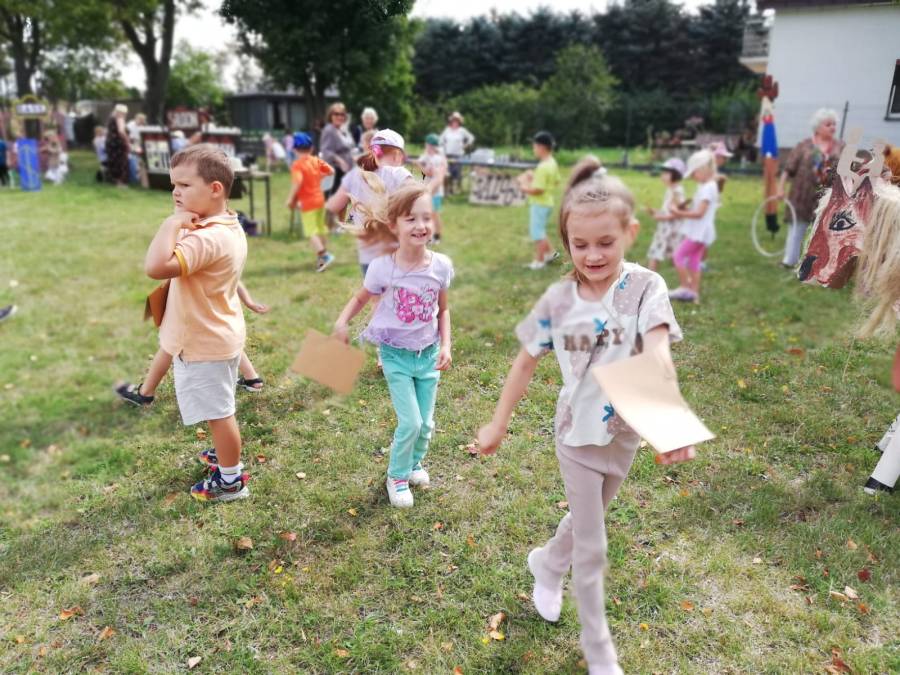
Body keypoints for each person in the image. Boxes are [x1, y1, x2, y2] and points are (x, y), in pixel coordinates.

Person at [477, 156, 695, 675]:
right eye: (580, 244)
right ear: (566, 242)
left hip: (624, 435)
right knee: (593, 542)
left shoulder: (647, 286)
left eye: (605, 242)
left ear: (630, 233)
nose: (593, 255)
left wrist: (668, 424)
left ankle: (547, 561)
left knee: (586, 519)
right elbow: (525, 361)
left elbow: (658, 353)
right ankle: (599, 652)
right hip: (576, 434)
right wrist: (498, 422)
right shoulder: (558, 300)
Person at [333, 182, 454, 508]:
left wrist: (446, 345)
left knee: (426, 424)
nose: (420, 225)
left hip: (428, 355)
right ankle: (397, 476)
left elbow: (443, 309)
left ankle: (414, 464)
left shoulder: (441, 266)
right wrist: (342, 322)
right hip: (395, 356)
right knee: (411, 422)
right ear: (393, 225)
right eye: (411, 219)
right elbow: (361, 298)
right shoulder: (382, 267)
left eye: (426, 217)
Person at [142, 144, 249, 502]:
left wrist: (170, 223)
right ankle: (224, 454)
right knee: (218, 407)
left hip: (205, 342)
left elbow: (155, 267)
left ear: (215, 189)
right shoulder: (225, 223)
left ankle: (231, 481)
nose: (175, 192)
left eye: (185, 185)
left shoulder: (208, 237)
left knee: (220, 413)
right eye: (173, 184)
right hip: (217, 333)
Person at [115, 282, 269, 406]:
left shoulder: (197, 254)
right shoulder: (226, 252)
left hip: (195, 308)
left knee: (170, 344)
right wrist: (248, 302)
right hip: (219, 306)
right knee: (225, 336)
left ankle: (145, 394)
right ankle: (252, 379)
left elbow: (158, 268)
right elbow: (233, 276)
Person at [326, 129, 413, 276]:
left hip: (367, 257)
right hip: (398, 253)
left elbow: (332, 207)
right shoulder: (399, 174)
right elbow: (418, 204)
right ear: (397, 155)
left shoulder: (354, 175)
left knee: (375, 291)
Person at [776, 108, 844, 269]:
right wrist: (780, 188)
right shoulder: (804, 145)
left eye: (834, 124)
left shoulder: (841, 147)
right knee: (796, 228)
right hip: (802, 195)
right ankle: (789, 261)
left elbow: (847, 171)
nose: (833, 127)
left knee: (821, 231)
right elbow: (788, 169)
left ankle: (814, 264)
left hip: (826, 196)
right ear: (818, 127)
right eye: (828, 124)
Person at [669, 150, 719, 303]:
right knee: (694, 260)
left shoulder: (707, 188)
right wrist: (686, 209)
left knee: (678, 256)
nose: (692, 177)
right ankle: (694, 293)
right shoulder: (707, 186)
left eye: (694, 173)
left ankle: (685, 288)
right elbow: (699, 210)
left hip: (699, 232)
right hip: (700, 232)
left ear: (704, 169)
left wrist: (678, 213)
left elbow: (699, 213)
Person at [285, 132, 336, 272]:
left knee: (310, 232)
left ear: (294, 149)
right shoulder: (316, 161)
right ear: (312, 148)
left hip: (308, 204)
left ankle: (325, 255)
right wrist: (319, 176)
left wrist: (290, 198)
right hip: (320, 200)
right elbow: (331, 171)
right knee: (320, 229)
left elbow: (298, 181)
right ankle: (322, 262)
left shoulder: (297, 165)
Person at [519, 131, 562, 270]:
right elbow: (555, 181)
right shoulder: (552, 162)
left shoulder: (543, 167)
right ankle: (551, 254)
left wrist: (524, 187)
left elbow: (538, 190)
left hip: (539, 204)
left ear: (541, 147)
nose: (533, 149)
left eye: (534, 146)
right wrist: (535, 177)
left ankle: (539, 261)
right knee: (541, 230)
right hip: (547, 203)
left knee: (537, 234)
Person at [645, 157, 686, 272]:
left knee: (656, 252)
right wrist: (657, 211)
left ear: (676, 175)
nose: (662, 175)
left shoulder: (677, 192)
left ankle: (650, 276)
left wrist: (661, 217)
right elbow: (669, 209)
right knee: (667, 253)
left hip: (670, 229)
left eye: (666, 173)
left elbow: (679, 213)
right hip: (666, 228)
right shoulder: (671, 189)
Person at [417, 134, 448, 244]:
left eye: (431, 145)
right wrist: (422, 167)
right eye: (428, 145)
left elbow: (436, 174)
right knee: (427, 214)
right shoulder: (425, 156)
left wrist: (427, 169)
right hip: (427, 188)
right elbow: (424, 170)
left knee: (434, 214)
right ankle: (430, 235)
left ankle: (437, 236)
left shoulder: (439, 158)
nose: (429, 147)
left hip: (436, 191)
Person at [319, 102, 355, 199]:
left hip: (345, 171)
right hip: (335, 172)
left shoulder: (342, 130)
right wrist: (340, 160)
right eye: (336, 114)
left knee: (342, 200)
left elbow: (348, 148)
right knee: (334, 200)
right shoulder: (329, 130)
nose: (339, 117)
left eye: (342, 114)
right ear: (330, 115)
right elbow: (325, 151)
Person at [439, 111, 474, 195]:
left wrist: (466, 145)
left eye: (457, 121)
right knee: (448, 173)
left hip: (458, 155)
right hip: (448, 155)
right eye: (454, 120)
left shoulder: (462, 130)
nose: (455, 122)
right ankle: (448, 190)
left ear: (459, 122)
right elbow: (440, 140)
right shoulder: (447, 130)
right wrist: (443, 147)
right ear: (451, 121)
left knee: (457, 173)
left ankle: (458, 189)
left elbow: (471, 138)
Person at [105, 104, 130, 186]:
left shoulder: (111, 118)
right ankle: (120, 182)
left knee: (113, 161)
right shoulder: (120, 118)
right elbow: (121, 131)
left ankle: (112, 179)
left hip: (110, 142)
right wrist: (127, 140)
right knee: (121, 161)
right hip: (118, 143)